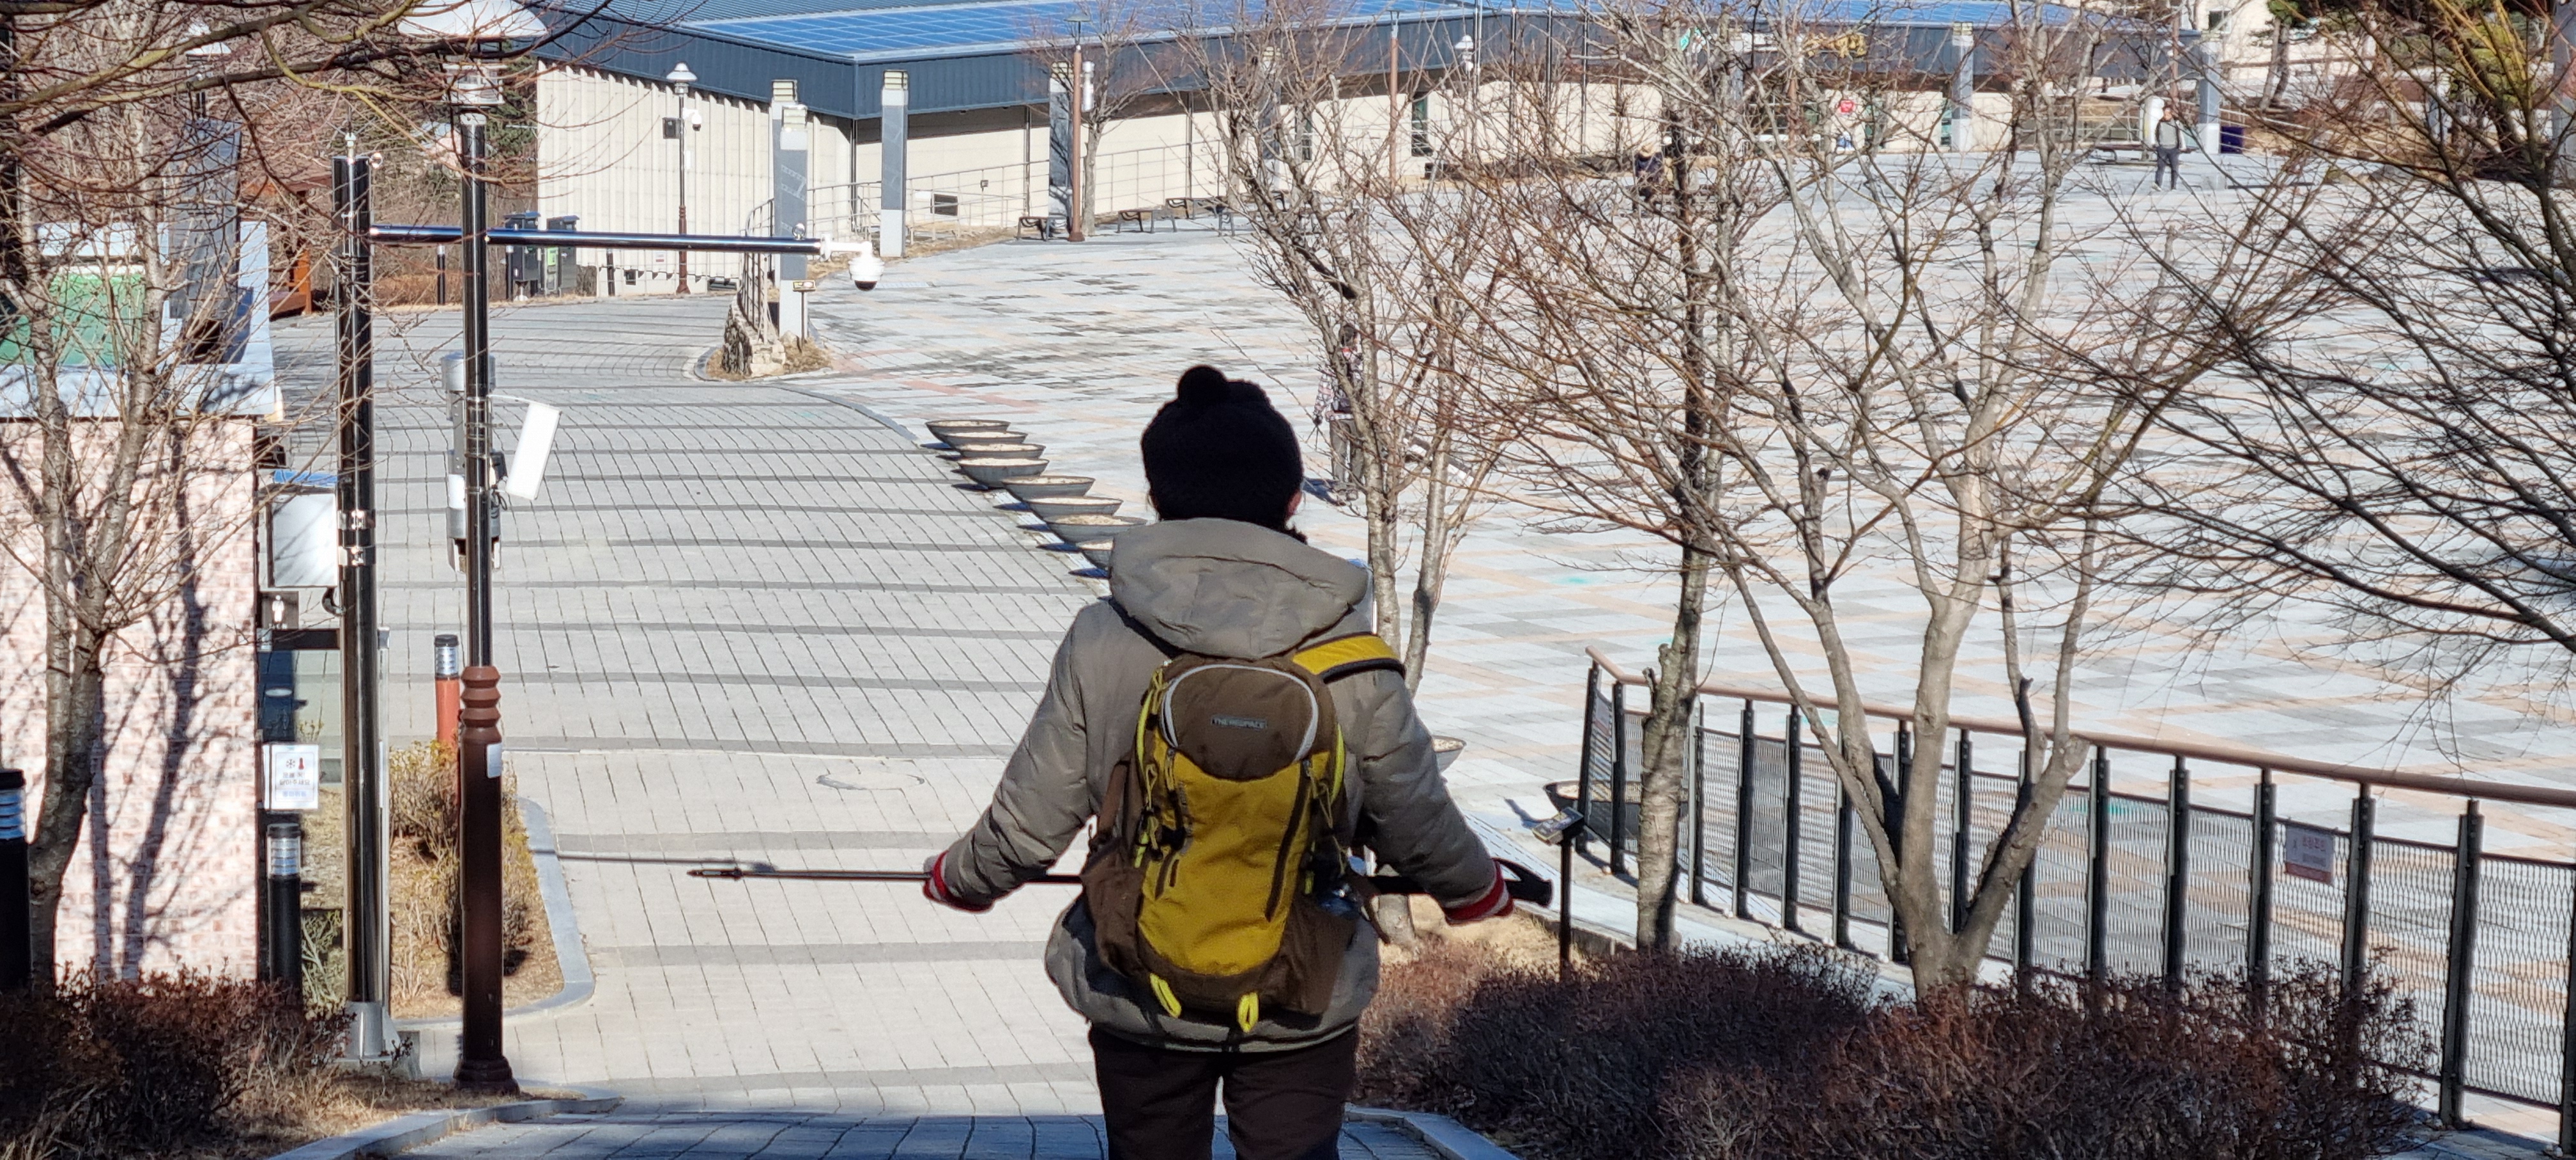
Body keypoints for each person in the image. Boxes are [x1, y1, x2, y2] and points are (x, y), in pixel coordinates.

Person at [921, 365, 1514, 1160]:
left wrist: (960, 878)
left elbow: (1031, 819)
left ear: (1157, 498)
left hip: (1140, 977)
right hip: (1304, 980)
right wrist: (1476, 891)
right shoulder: (1353, 656)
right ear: (1294, 499)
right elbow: (1415, 815)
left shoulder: (1105, 638)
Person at [2152, 105, 2186, 190]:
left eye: (2168, 114)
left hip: (2174, 149)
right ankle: (2158, 184)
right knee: (2161, 168)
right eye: (2165, 114)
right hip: (2162, 149)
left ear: (2171, 114)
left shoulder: (2176, 123)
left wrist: (2181, 146)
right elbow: (2156, 134)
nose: (2166, 116)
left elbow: (2181, 134)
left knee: (2175, 169)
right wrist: (2158, 145)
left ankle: (2173, 186)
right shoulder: (2160, 123)